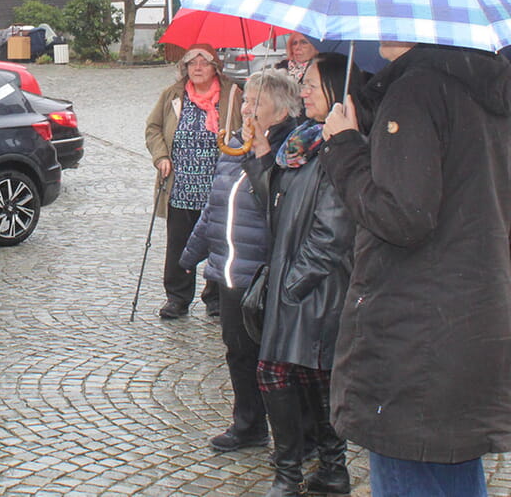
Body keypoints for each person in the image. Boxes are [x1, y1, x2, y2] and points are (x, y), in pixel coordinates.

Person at [322, 42, 511, 497]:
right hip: (469, 321)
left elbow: (403, 216)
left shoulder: (416, 91)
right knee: (453, 476)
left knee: (415, 476)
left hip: (416, 334)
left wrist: (344, 146)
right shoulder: (483, 89)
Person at [244, 52, 360, 497]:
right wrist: (259, 154)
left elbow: (332, 232)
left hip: (316, 286)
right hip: (295, 281)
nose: (303, 90)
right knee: (312, 375)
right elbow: (275, 204)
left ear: (333, 88)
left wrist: (290, 286)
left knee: (282, 373)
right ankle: (331, 470)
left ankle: (289, 474)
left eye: (310, 83)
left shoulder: (340, 147)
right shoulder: (304, 142)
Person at [181, 69, 301, 454]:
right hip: (228, 270)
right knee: (238, 352)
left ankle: (294, 439)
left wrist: (263, 156)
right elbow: (216, 205)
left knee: (275, 361)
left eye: (255, 102)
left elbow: (282, 207)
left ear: (281, 111)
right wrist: (191, 254)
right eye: (246, 100)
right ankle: (248, 424)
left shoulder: (292, 149)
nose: (246, 109)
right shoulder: (235, 144)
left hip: (265, 273)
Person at [145, 43, 243, 318]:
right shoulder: (173, 95)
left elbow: (247, 127)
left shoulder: (232, 94)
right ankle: (177, 297)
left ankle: (215, 297)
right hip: (180, 184)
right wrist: (161, 156)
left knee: (219, 242)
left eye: (204, 62)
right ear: (184, 68)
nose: (198, 67)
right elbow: (153, 128)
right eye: (192, 62)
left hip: (220, 185)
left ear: (215, 67)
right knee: (179, 243)